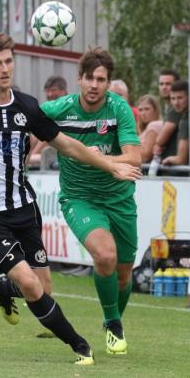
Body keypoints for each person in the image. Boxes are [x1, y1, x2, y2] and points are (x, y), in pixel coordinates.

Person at [0, 33, 141, 365]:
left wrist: (111, 166)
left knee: (43, 287)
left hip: (23, 209)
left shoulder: (27, 106)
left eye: (9, 61)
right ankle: (80, 346)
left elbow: (70, 146)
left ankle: (4, 288)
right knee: (32, 284)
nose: (5, 69)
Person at [40, 47, 141, 356]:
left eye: (102, 79)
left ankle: (113, 320)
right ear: (79, 79)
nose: (95, 85)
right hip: (79, 199)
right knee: (105, 255)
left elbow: (135, 158)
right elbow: (27, 123)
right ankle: (113, 325)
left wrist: (101, 158)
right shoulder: (60, 109)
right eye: (90, 79)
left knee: (124, 274)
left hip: (119, 199)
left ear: (108, 83)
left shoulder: (118, 109)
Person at [161, 80, 190, 166]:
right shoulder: (186, 117)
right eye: (173, 98)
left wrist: (166, 160)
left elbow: (180, 160)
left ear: (189, 97)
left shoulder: (186, 121)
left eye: (180, 98)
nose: (176, 103)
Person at [136, 94, 162, 163]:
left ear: (155, 110)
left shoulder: (154, 125)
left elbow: (146, 155)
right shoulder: (146, 127)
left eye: (147, 109)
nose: (143, 113)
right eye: (140, 110)